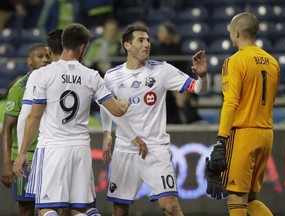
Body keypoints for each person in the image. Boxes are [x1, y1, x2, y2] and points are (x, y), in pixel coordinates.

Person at [13, 23, 130, 216]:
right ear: (83, 47)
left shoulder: (44, 74)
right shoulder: (92, 76)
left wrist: (22, 152)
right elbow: (117, 111)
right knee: (80, 209)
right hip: (80, 149)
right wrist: (124, 102)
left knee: (47, 208)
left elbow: (34, 116)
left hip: (52, 148)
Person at [100, 23, 208, 216]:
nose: (146, 44)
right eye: (140, 40)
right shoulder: (112, 76)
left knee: (171, 206)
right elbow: (104, 105)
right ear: (127, 46)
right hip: (125, 149)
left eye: (148, 40)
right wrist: (107, 132)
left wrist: (203, 76)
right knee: (120, 209)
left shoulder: (162, 70)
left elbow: (199, 89)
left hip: (156, 148)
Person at [205, 12, 280, 216]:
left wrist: (221, 140)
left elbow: (230, 102)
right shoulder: (273, 62)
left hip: (244, 135)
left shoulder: (235, 61)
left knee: (236, 196)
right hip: (266, 134)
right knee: (251, 198)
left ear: (236, 32)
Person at [1, 44, 50, 216]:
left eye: (47, 56)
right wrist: (7, 164)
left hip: (50, 154)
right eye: (40, 56)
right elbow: (7, 128)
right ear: (29, 61)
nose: (45, 60)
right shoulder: (19, 88)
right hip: (25, 157)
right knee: (26, 208)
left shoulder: (53, 83)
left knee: (52, 205)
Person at [156, 21, 202, 124]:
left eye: (161, 31)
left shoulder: (178, 51)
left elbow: (184, 72)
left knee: (180, 96)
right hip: (160, 86)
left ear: (169, 34)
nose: (158, 34)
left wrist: (181, 90)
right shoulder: (156, 51)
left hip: (176, 86)